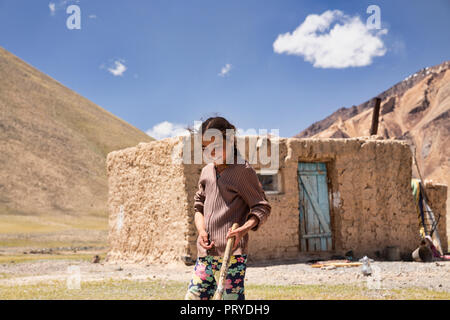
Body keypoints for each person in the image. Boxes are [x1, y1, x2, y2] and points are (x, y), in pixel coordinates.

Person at [185, 116, 271, 300]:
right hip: (206, 254)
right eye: (204, 148)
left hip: (232, 256)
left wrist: (243, 229)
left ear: (230, 140)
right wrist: (201, 231)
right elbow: (198, 207)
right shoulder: (206, 172)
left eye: (215, 147)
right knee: (193, 299)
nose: (210, 153)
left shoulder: (243, 171)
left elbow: (261, 207)